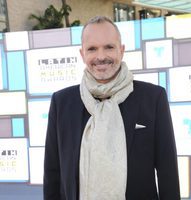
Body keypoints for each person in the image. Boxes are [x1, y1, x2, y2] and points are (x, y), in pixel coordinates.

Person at [43, 16, 180, 200]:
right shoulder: (62, 102)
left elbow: (167, 170)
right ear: (82, 54)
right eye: (92, 49)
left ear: (121, 50)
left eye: (109, 47)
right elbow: (53, 172)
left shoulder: (153, 98)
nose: (101, 56)